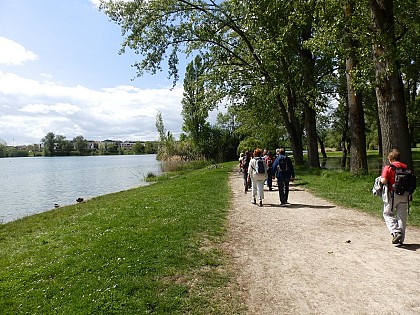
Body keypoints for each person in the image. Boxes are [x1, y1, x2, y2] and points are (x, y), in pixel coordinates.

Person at [380, 149, 409, 245]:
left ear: (390, 159)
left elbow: (384, 180)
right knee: (402, 217)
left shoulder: (389, 167)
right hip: (405, 194)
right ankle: (401, 239)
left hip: (393, 194)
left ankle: (396, 232)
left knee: (387, 213)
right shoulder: (405, 167)